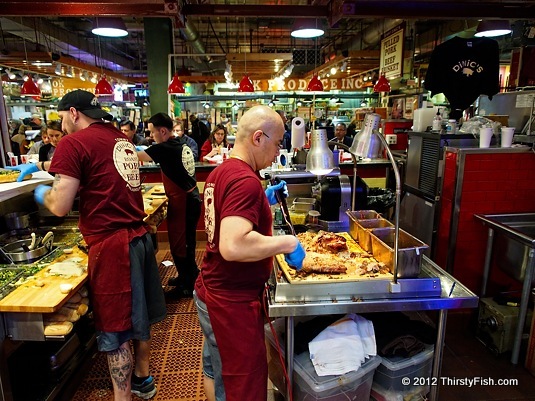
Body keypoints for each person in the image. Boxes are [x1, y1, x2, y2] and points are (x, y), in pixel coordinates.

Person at [9, 89, 166, 400]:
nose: (61, 127)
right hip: (139, 237)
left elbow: (60, 206)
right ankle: (143, 379)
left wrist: (43, 194)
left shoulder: (72, 142)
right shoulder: (118, 138)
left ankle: (122, 397)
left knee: (116, 327)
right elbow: (96, 168)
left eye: (61, 118)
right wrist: (44, 171)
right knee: (140, 315)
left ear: (73, 113)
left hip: (113, 248)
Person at [193, 105, 306, 401]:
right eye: (278, 142)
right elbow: (234, 245)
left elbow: (225, 218)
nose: (278, 150)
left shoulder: (224, 171)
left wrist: (261, 202)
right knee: (240, 383)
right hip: (229, 301)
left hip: (212, 288)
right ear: (258, 138)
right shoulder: (244, 181)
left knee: (215, 369)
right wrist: (288, 244)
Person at [137, 112, 202, 298]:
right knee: (186, 242)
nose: (151, 136)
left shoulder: (164, 148)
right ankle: (187, 276)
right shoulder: (180, 143)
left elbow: (134, 156)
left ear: (163, 131)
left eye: (152, 133)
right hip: (190, 199)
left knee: (181, 244)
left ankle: (187, 286)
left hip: (184, 202)